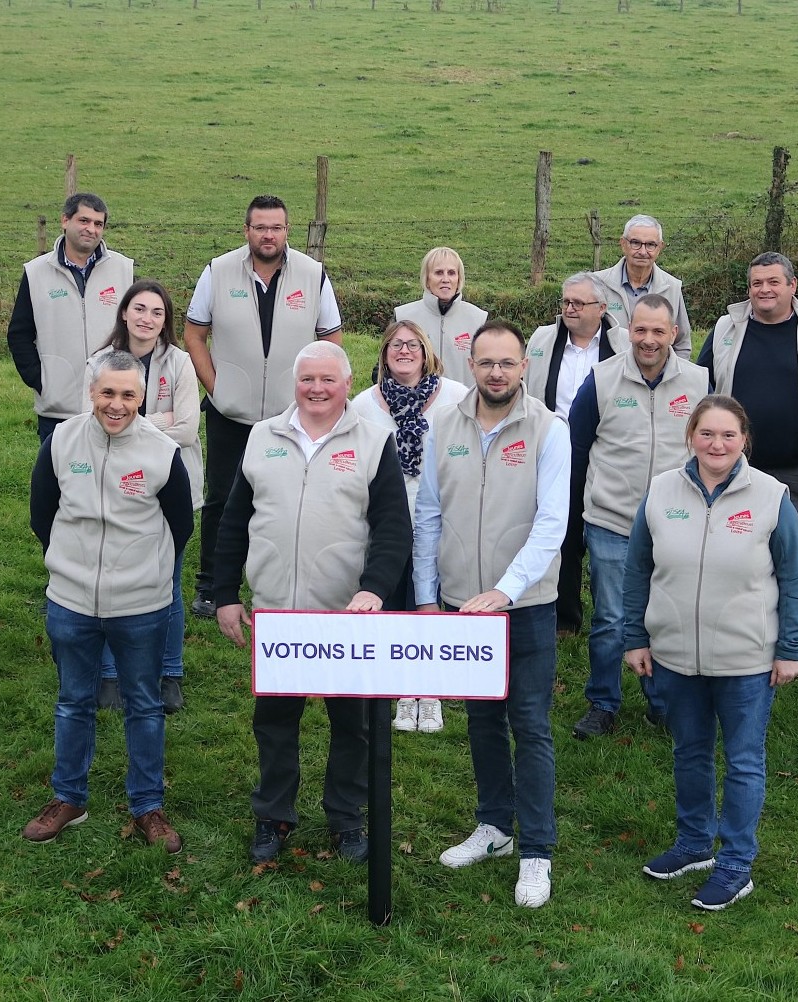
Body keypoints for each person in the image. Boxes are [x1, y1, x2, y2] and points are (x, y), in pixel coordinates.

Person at [214, 341, 410, 867]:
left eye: (328, 379)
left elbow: (393, 528)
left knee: (354, 725)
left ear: (347, 383)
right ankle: (273, 813)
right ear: (293, 383)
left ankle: (346, 818)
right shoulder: (263, 437)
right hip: (278, 612)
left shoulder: (373, 440)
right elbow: (234, 521)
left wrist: (373, 589)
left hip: (348, 615)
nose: (317, 389)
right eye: (307, 380)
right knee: (275, 721)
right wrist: (226, 595)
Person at [624, 396, 798, 912]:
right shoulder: (661, 491)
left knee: (744, 761)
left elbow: (795, 576)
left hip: (747, 658)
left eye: (728, 435)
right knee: (689, 751)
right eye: (707, 434)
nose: (717, 444)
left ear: (744, 439)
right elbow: (637, 569)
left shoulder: (771, 496)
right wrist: (635, 637)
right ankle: (693, 843)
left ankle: (735, 864)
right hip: (676, 655)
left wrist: (789, 648)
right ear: (691, 437)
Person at [416, 321, 569, 909]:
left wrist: (505, 590)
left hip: (525, 605)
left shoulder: (550, 429)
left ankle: (537, 852)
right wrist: (430, 594)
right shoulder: (442, 425)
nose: (497, 373)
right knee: (481, 720)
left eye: (507, 363)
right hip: (460, 601)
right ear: (469, 364)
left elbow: (552, 523)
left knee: (528, 724)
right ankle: (494, 828)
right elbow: (428, 511)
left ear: (524, 366)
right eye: (486, 363)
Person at [25, 351, 194, 854]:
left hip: (140, 604)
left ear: (141, 398)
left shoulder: (162, 452)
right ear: (91, 393)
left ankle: (148, 806)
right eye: (107, 393)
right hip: (71, 600)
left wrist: (143, 571)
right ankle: (68, 798)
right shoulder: (61, 442)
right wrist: (69, 564)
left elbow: (180, 527)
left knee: (143, 703)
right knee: (72, 701)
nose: (116, 405)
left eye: (127, 395)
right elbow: (42, 513)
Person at [183, 194, 344, 619]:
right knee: (221, 497)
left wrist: (314, 394)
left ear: (287, 231)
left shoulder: (313, 275)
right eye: (260, 227)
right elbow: (194, 334)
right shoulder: (217, 271)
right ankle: (213, 587)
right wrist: (218, 389)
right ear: (247, 231)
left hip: (291, 417)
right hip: (229, 414)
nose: (268, 235)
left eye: (276, 227)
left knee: (286, 499)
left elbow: (331, 340)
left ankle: (285, 585)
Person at [565, 294, 706, 739]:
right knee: (610, 618)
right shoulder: (602, 381)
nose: (648, 340)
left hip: (676, 523)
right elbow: (578, 447)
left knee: (664, 617)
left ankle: (662, 703)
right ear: (628, 331)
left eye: (658, 332)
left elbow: (715, 447)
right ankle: (602, 702)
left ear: (674, 335)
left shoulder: (700, 384)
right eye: (640, 331)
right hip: (612, 520)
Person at [698, 251, 798, 668]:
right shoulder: (727, 329)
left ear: (792, 286)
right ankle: (734, 636)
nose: (764, 290)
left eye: (773, 282)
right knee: (732, 551)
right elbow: (701, 383)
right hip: (735, 468)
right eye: (756, 283)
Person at [349, 318, 470, 734]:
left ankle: (430, 690)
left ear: (426, 351)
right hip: (387, 518)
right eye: (396, 344)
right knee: (397, 596)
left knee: (430, 596)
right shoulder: (364, 404)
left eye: (412, 344)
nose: (404, 351)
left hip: (440, 513)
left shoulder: (454, 396)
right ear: (383, 352)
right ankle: (403, 689)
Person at [85, 280, 200, 715]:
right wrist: (159, 420)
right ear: (124, 314)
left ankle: (169, 673)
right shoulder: (99, 362)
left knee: (168, 583)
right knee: (114, 579)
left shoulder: (182, 364)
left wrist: (130, 423)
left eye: (156, 312)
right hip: (114, 489)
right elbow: (94, 424)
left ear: (165, 320)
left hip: (173, 489)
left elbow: (188, 430)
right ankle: (110, 675)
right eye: (139, 309)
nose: (147, 318)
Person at [525, 271, 629, 638]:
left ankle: (614, 619)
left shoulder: (623, 345)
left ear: (601, 308)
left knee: (604, 537)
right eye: (565, 301)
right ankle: (565, 618)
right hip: (553, 451)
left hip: (605, 453)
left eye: (578, 303)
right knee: (562, 534)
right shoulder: (543, 340)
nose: (569, 308)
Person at [8, 193, 135, 441]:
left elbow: (139, 331)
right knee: (58, 477)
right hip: (57, 410)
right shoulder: (36, 273)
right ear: (65, 221)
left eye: (98, 224)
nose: (91, 229)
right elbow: (19, 334)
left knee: (110, 477)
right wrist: (42, 382)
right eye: (84, 221)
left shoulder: (123, 269)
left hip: (112, 406)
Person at [588, 214, 692, 358]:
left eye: (650, 245)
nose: (643, 252)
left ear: (660, 247)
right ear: (623, 244)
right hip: (608, 376)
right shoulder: (597, 283)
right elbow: (583, 336)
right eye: (636, 243)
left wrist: (670, 378)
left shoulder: (672, 287)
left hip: (655, 378)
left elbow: (682, 344)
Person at [393, 247, 487, 386]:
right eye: (438, 273)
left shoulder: (478, 319)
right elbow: (384, 368)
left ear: (459, 278)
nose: (446, 279)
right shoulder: (403, 317)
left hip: (464, 405)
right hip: (416, 406)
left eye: (451, 273)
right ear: (427, 278)